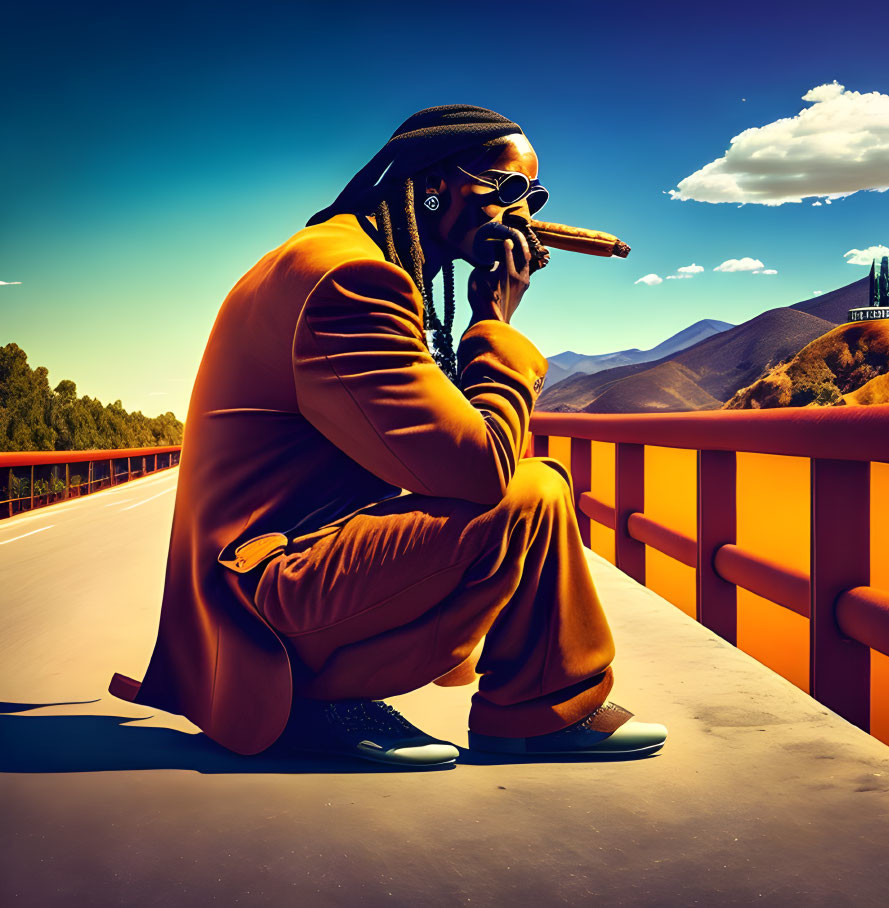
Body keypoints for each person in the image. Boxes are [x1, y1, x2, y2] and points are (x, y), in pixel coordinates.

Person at [108, 104, 667, 767]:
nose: (516, 213)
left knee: (526, 488)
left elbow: (425, 441)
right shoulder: (351, 279)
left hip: (268, 574)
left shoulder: (329, 257)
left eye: (532, 197)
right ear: (431, 183)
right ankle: (536, 711)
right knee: (529, 491)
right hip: (266, 603)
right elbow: (480, 468)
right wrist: (494, 321)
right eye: (504, 187)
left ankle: (532, 704)